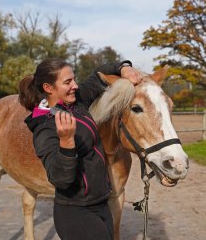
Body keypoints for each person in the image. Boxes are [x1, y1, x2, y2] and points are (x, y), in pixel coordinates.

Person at [19, 58, 141, 240]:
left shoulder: (76, 103)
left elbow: (99, 75)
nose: (75, 85)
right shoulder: (44, 127)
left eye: (74, 79)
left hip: (100, 204)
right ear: (48, 88)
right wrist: (67, 143)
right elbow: (59, 179)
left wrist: (123, 68)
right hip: (76, 213)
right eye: (68, 82)